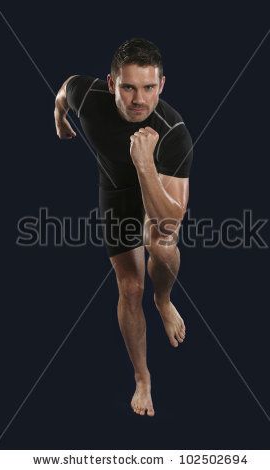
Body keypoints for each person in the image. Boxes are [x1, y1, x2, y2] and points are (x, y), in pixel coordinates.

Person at [54, 38, 193, 417]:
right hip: (114, 194)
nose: (139, 99)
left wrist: (145, 163)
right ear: (112, 83)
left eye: (149, 88)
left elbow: (170, 221)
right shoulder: (90, 96)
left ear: (161, 85)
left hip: (155, 195)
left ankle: (163, 301)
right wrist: (61, 122)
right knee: (130, 288)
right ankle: (142, 378)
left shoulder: (173, 131)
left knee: (162, 243)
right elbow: (65, 90)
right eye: (129, 87)